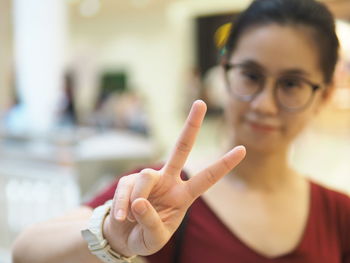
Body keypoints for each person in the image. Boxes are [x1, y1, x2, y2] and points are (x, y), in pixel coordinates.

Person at [12, 0, 350, 262]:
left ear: (324, 96)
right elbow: (27, 250)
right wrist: (110, 234)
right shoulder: (164, 193)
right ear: (224, 72)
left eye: (291, 84)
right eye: (251, 75)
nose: (264, 104)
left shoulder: (338, 213)